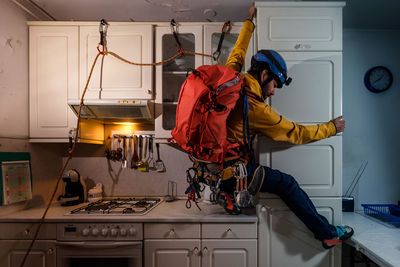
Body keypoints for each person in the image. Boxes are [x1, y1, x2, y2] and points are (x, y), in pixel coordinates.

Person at [220, 3, 354, 249]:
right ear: (263, 75)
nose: (273, 92)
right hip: (237, 172)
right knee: (288, 184)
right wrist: (331, 128)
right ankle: (326, 233)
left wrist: (248, 22)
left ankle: (228, 194)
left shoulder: (231, 79)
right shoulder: (257, 108)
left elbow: (237, 52)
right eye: (275, 85)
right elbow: (296, 133)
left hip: (216, 168)